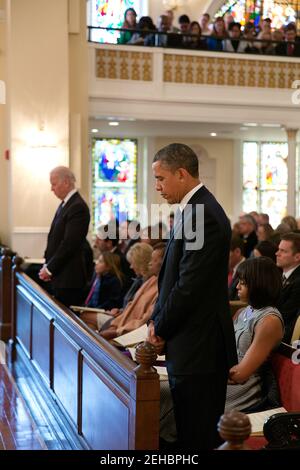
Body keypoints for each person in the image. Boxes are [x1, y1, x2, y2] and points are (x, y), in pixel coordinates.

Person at [147, 143, 237, 450]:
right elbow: (173, 279)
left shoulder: (203, 215)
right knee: (188, 432)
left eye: (160, 178)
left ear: (182, 174)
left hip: (200, 347)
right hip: (191, 343)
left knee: (197, 437)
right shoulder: (193, 211)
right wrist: (157, 321)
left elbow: (189, 286)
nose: (157, 187)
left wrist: (160, 327)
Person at [226, 257, 284, 412]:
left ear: (259, 284)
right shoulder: (242, 312)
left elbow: (241, 374)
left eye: (243, 283)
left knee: (173, 393)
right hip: (227, 379)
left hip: (244, 390)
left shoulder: (269, 320)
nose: (237, 286)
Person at [39, 166, 90, 307]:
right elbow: (54, 238)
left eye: (54, 184)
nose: (51, 188)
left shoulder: (77, 206)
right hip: (60, 275)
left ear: (66, 182)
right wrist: (47, 263)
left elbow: (70, 243)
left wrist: (50, 268)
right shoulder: (66, 204)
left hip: (69, 278)